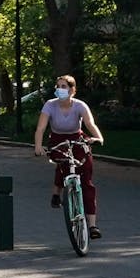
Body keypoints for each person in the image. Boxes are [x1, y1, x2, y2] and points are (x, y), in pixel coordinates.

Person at [33, 75, 105, 240]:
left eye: (64, 86)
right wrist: (38, 145)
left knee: (86, 179)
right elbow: (41, 128)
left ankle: (92, 225)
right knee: (63, 165)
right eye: (58, 86)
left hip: (77, 138)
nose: (60, 89)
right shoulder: (50, 105)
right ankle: (56, 193)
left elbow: (89, 123)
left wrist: (98, 137)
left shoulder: (79, 105)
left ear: (72, 90)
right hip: (58, 139)